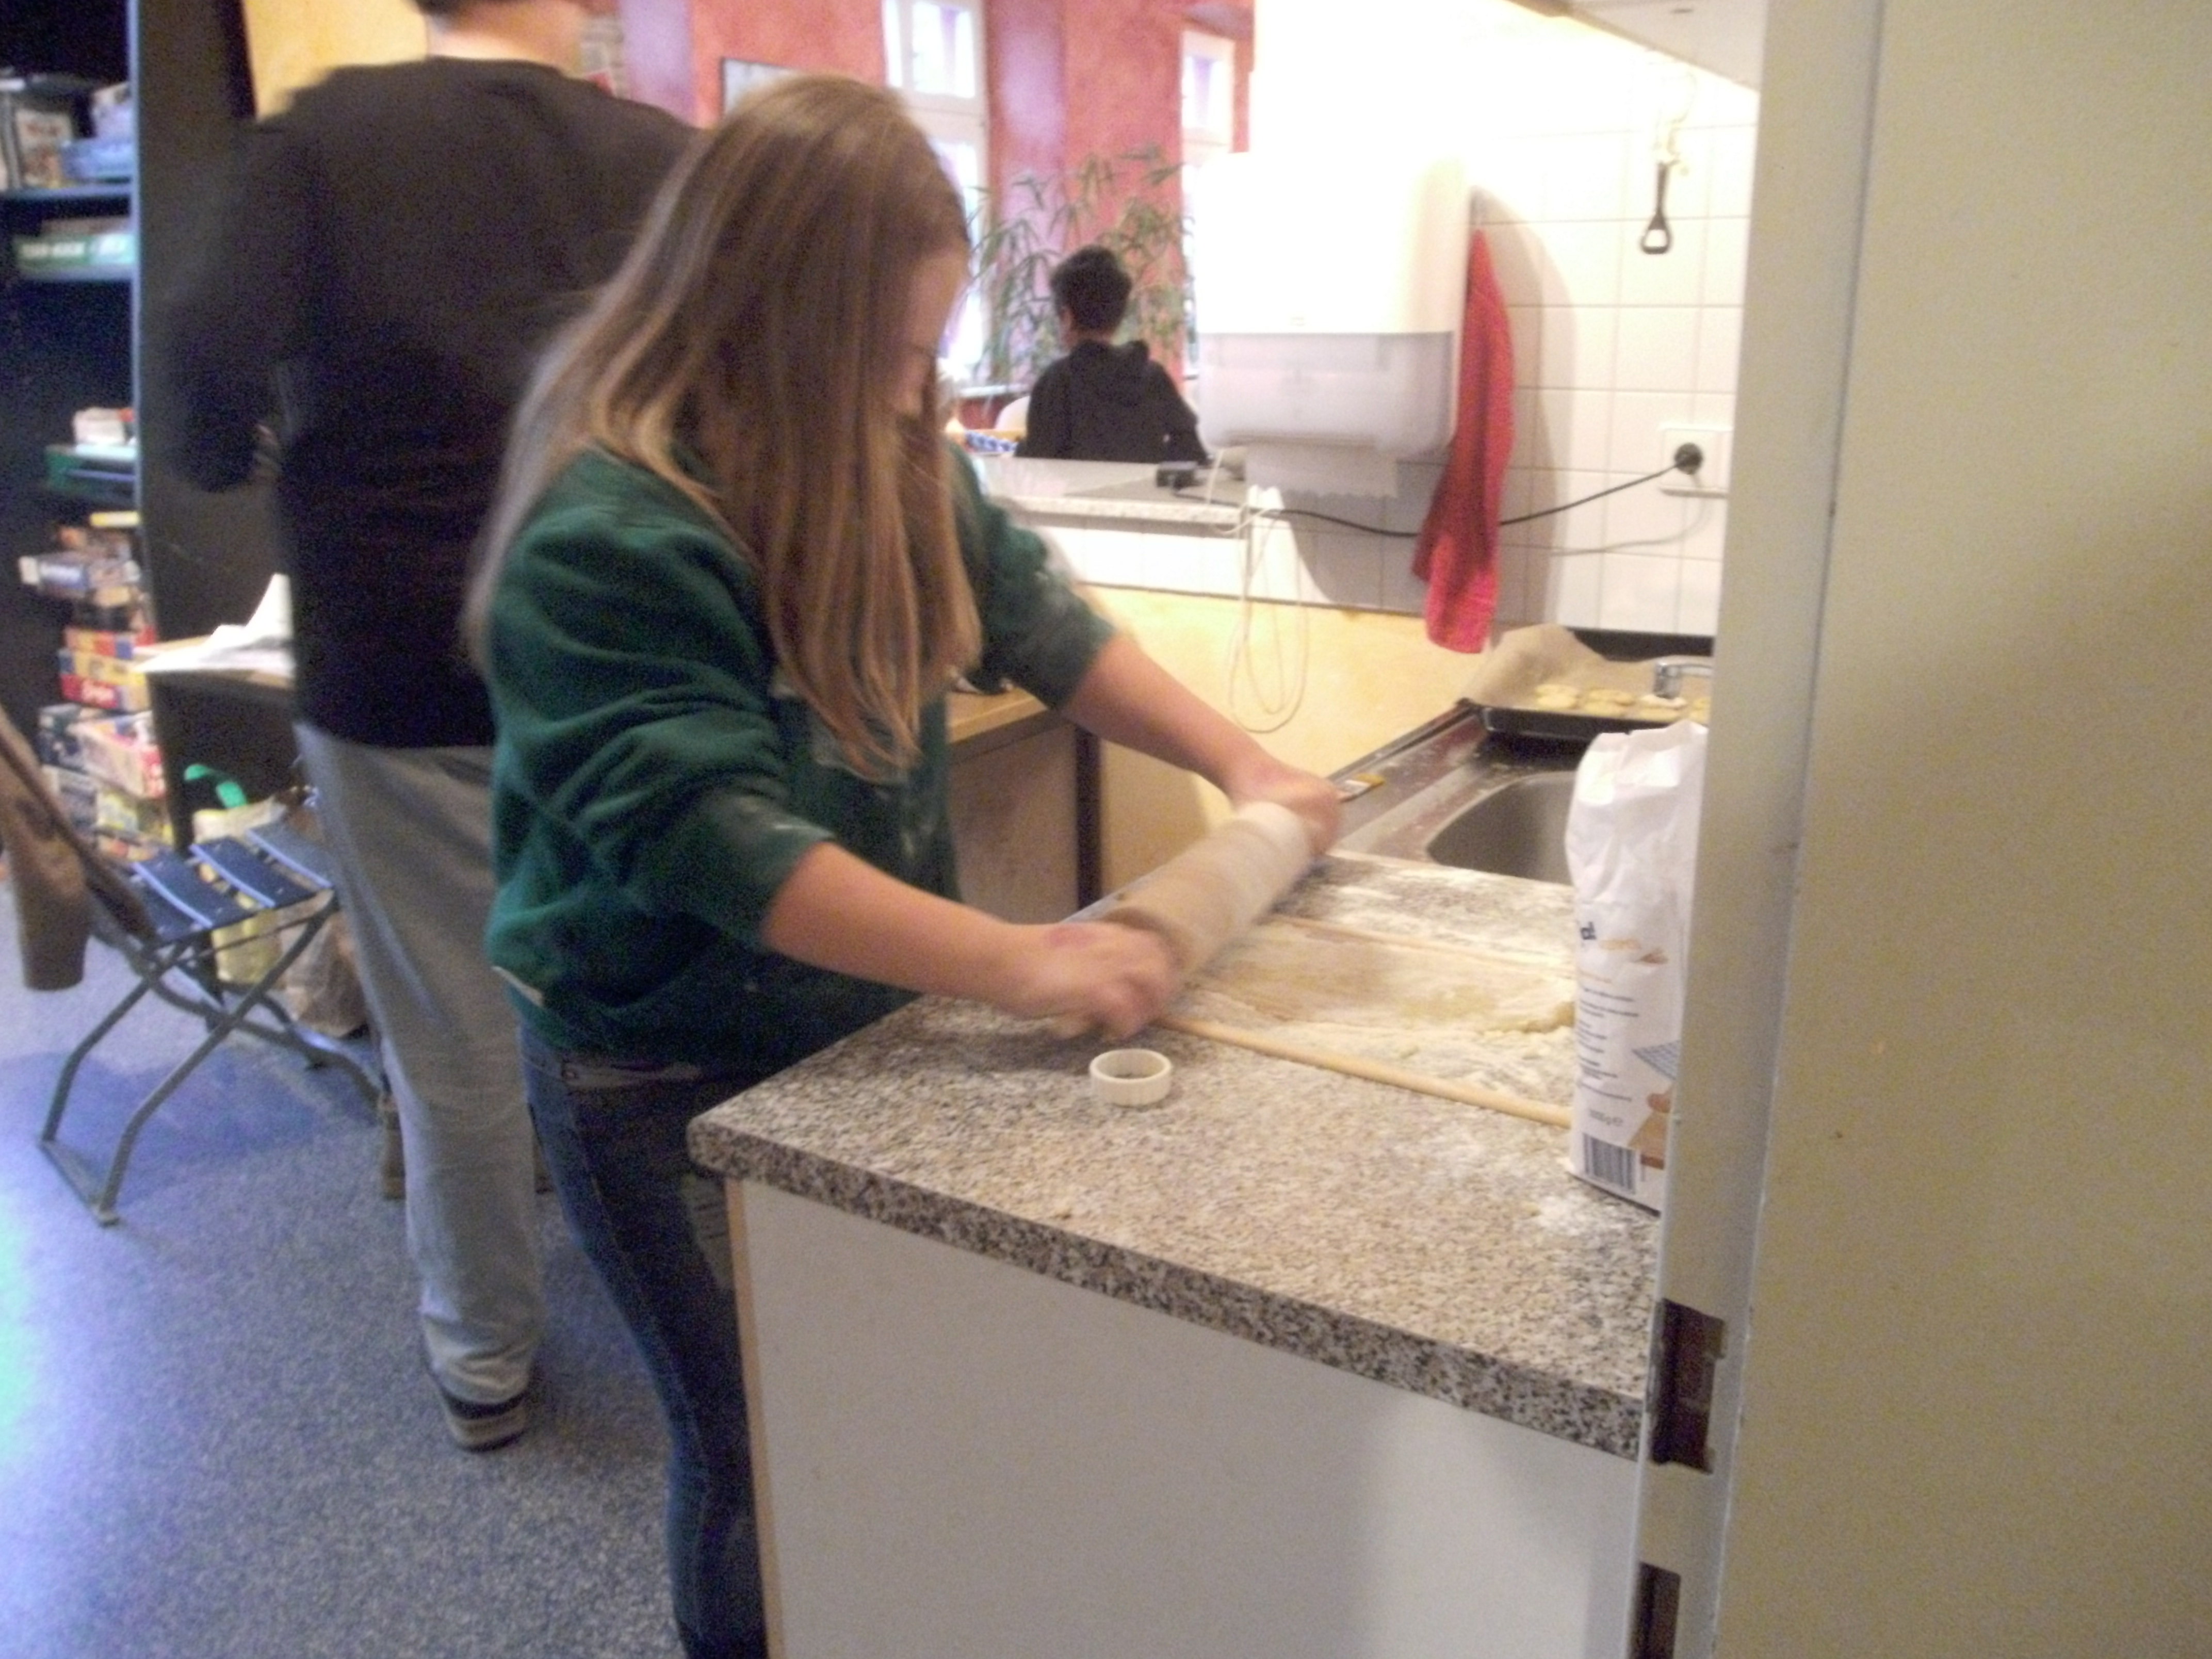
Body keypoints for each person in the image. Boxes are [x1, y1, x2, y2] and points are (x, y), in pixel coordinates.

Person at [464, 76, 1339, 1659]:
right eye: (880, 351)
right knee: (759, 1450)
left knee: (871, 1409)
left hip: (848, 1027)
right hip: (659, 1065)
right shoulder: (611, 527)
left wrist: (1247, 766)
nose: (908, 391)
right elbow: (715, 841)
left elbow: (1045, 629)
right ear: (756, 320)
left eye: (926, 353)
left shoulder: (889, 452)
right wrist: (1024, 959)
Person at [154, 0, 692, 1452]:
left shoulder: (322, 141)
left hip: (395, 653)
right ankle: (706, 1312)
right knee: (647, 995)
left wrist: (227, 452)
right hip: (618, 647)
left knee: (451, 1031)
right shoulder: (664, 161)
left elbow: (202, 345)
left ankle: (484, 1358)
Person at [1014, 243, 1208, 463]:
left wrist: (1019, 450)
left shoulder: (1057, 382)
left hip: (1077, 488)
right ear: (1119, 314)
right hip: (1144, 487)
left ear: (1067, 317)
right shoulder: (1153, 377)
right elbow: (1191, 450)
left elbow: (1038, 464)